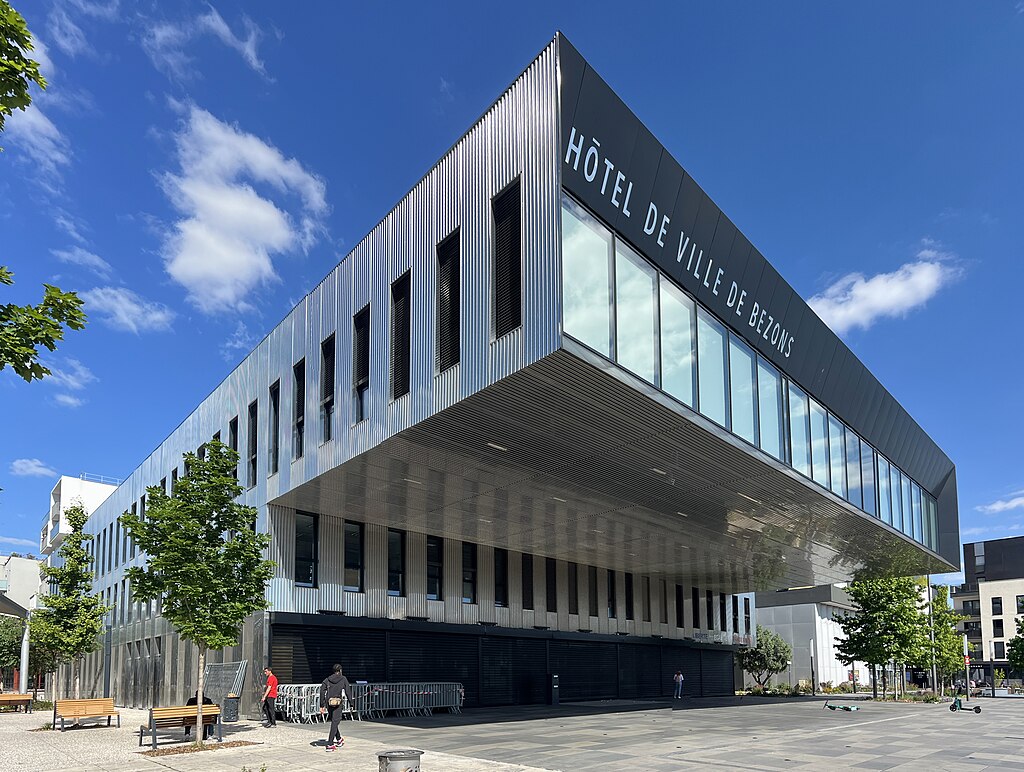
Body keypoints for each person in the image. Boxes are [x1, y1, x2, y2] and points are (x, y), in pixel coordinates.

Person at [319, 663, 353, 752]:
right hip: (337, 702)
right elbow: (348, 691)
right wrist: (351, 703)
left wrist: (321, 705)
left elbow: (322, 691)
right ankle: (330, 744)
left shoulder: (327, 679)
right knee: (335, 722)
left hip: (329, 702)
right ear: (340, 670)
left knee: (334, 721)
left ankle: (339, 739)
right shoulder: (343, 679)